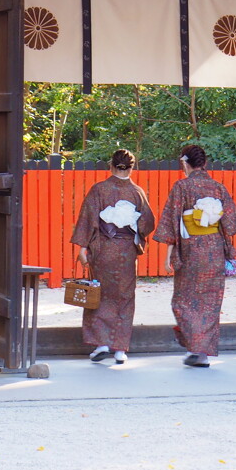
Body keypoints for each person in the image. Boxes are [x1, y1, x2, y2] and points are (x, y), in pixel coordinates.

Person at [154, 143, 236, 368]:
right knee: (210, 302)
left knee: (184, 300)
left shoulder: (181, 187)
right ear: (205, 164)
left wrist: (168, 255)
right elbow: (231, 225)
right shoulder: (219, 189)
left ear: (184, 163)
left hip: (190, 249)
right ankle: (201, 351)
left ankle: (196, 347)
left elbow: (172, 222)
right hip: (214, 249)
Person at [71, 148, 155, 365]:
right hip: (126, 250)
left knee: (100, 293)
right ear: (132, 167)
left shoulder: (99, 190)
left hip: (103, 248)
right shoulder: (137, 192)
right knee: (124, 297)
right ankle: (120, 349)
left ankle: (101, 344)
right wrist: (135, 234)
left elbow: (88, 218)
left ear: (111, 165)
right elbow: (147, 222)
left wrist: (82, 248)